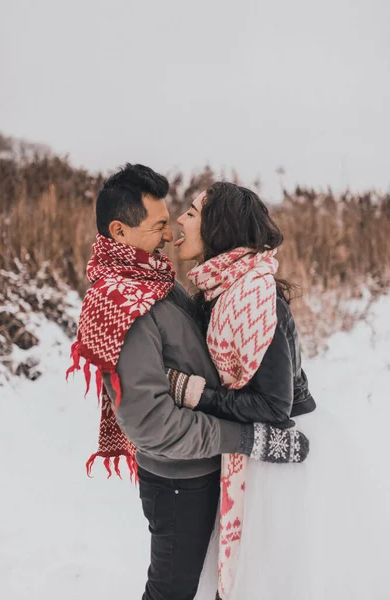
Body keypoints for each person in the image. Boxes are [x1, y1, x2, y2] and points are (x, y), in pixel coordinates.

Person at [66, 165, 309, 600]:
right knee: (171, 592)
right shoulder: (124, 305)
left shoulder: (156, 280)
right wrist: (246, 439)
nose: (168, 233)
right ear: (120, 231)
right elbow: (152, 424)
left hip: (201, 467)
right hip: (179, 479)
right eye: (159, 224)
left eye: (175, 219)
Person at [168, 181, 390, 600]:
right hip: (248, 446)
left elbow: (273, 405)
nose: (180, 218)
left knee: (273, 582)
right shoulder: (219, 290)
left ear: (219, 228)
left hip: (284, 458)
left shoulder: (256, 297)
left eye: (193, 213)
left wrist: (197, 395)